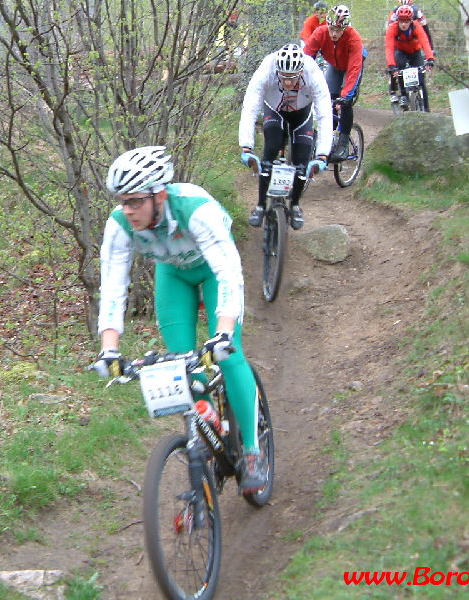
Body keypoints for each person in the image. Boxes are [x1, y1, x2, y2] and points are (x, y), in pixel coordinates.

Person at [92, 146, 268, 495]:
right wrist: (108, 349)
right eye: (122, 202)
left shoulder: (196, 209)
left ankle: (251, 451)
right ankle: (206, 427)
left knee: (230, 356)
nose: (128, 210)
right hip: (173, 275)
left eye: (135, 202)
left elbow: (229, 273)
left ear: (159, 194)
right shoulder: (120, 225)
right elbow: (113, 285)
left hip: (214, 271)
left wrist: (224, 333)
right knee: (182, 365)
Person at [238, 43, 332, 230]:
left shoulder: (312, 72)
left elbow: (324, 113)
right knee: (270, 151)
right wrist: (246, 147)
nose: (288, 83)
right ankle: (260, 206)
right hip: (274, 110)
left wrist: (322, 155)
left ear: (301, 72)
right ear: (277, 71)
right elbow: (250, 107)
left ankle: (295, 205)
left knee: (302, 162)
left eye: (292, 78)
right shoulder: (267, 68)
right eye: (283, 77)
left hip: (302, 113)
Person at [303, 5, 367, 161]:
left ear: (345, 28)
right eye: (331, 28)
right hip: (334, 66)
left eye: (338, 30)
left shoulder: (354, 38)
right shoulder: (320, 33)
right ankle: (328, 140)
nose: (333, 33)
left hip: (352, 66)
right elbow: (305, 58)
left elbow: (353, 70)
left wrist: (346, 95)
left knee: (345, 102)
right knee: (328, 99)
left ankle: (343, 144)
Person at [385, 4, 435, 111]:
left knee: (421, 80)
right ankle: (403, 95)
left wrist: (430, 59)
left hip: (415, 51)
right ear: (397, 20)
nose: (403, 24)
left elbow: (425, 42)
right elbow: (389, 48)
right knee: (400, 67)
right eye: (401, 21)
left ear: (411, 20)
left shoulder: (416, 26)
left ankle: (426, 110)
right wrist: (391, 66)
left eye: (406, 21)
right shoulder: (392, 29)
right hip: (400, 51)